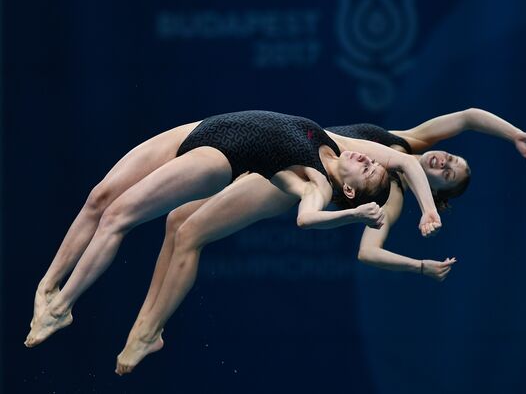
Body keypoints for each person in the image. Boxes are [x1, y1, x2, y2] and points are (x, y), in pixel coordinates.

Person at [111, 108, 526, 375]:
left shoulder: (389, 195)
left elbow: (368, 252)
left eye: (448, 172)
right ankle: (148, 326)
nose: (445, 160)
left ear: (439, 191)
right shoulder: (407, 143)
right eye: (453, 158)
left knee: (190, 234)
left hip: (283, 184)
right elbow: (467, 116)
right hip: (282, 152)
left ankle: (147, 332)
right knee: (177, 219)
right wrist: (514, 134)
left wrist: (422, 266)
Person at [25, 110, 441, 349]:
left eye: (368, 169)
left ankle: (63, 308)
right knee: (100, 198)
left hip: (218, 157)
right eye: (372, 161)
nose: (370, 159)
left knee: (119, 215)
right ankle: (47, 287)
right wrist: (427, 210)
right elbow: (405, 161)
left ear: (348, 188)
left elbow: (306, 218)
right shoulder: (333, 140)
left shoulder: (313, 181)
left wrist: (351, 215)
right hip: (201, 127)